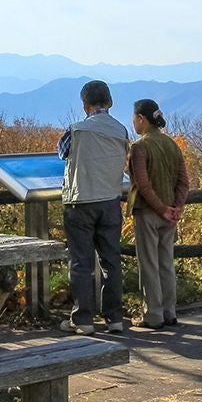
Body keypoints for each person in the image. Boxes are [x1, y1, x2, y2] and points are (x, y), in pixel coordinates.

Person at [56, 80, 130, 335]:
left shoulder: (76, 130)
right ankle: (115, 318)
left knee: (81, 262)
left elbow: (62, 153)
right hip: (110, 202)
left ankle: (83, 320)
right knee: (112, 261)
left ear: (85, 105)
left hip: (81, 202)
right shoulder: (122, 130)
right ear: (110, 103)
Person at [127, 99, 191, 330]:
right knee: (166, 262)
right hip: (170, 215)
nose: (133, 122)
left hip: (148, 213)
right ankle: (169, 312)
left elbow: (143, 186)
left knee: (149, 264)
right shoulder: (172, 144)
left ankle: (153, 315)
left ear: (141, 119)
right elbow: (184, 181)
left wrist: (161, 209)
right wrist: (176, 208)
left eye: (134, 118)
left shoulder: (139, 147)